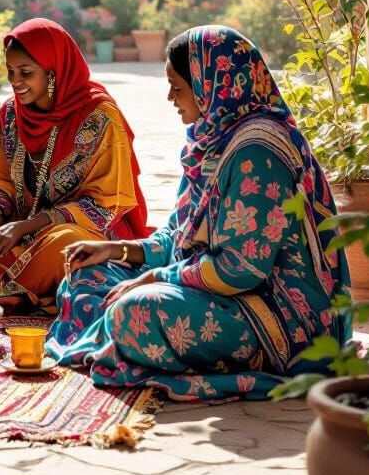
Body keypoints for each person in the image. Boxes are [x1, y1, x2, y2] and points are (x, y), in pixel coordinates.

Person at [46, 25, 351, 400]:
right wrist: (117, 250)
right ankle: (126, 336)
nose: (170, 97)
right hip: (213, 287)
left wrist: (154, 279)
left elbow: (241, 270)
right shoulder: (212, 140)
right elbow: (179, 233)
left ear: (212, 84)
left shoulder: (257, 152)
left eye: (177, 86)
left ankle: (137, 339)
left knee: (134, 313)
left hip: (276, 314)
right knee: (85, 276)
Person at [0, 17, 149, 312]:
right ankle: (15, 289)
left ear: (53, 71)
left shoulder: (100, 117)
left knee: (65, 247)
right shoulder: (9, 114)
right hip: (15, 231)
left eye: (26, 73)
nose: (15, 81)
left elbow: (105, 205)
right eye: (10, 72)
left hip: (77, 233)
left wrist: (28, 226)